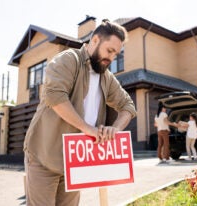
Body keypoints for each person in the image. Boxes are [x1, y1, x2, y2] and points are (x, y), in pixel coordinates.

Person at [23, 20, 137, 206]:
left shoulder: (107, 78)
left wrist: (115, 129)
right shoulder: (68, 59)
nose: (112, 58)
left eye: (116, 54)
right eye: (109, 51)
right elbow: (55, 97)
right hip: (44, 155)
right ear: (95, 40)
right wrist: (88, 129)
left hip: (74, 162)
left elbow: (128, 106)